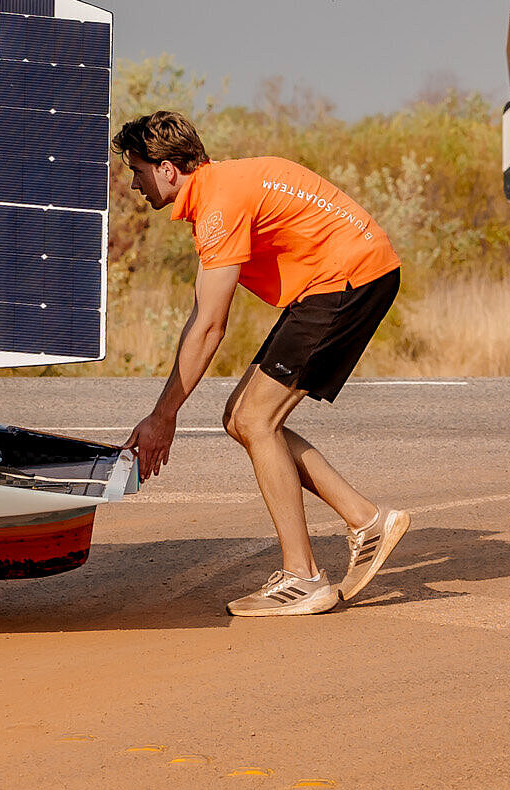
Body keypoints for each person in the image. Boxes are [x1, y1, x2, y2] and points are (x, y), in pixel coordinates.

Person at [115, 111, 411, 617]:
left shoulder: (217, 204)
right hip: (345, 275)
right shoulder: (221, 186)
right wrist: (165, 410)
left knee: (256, 419)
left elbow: (210, 325)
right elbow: (201, 314)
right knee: (241, 418)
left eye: (137, 170)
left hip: (348, 279)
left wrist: (163, 416)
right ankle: (366, 520)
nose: (133, 183)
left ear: (166, 168)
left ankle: (304, 578)